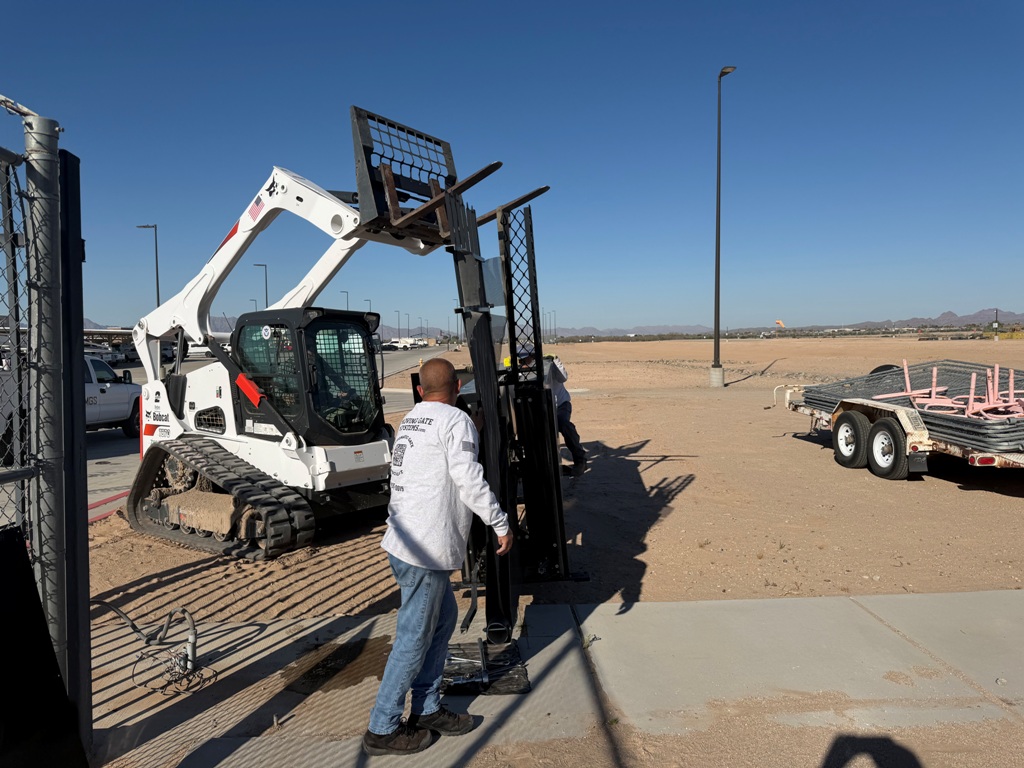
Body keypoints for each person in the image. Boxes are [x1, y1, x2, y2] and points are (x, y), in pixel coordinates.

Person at [363, 357, 513, 757]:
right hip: (427, 552)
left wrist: (469, 432)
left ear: (420, 390)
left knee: (443, 620)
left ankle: (427, 708)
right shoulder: (456, 422)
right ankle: (382, 727)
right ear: (459, 389)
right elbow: (468, 479)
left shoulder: (413, 418)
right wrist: (499, 522)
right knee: (412, 640)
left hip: (404, 543)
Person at [519, 348, 588, 476]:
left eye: (525, 359)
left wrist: (556, 360)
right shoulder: (522, 372)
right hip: (543, 408)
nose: (522, 362)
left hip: (561, 405)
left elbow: (563, 378)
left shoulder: (549, 366)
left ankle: (580, 459)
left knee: (562, 423)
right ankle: (548, 465)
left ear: (533, 357)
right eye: (521, 360)